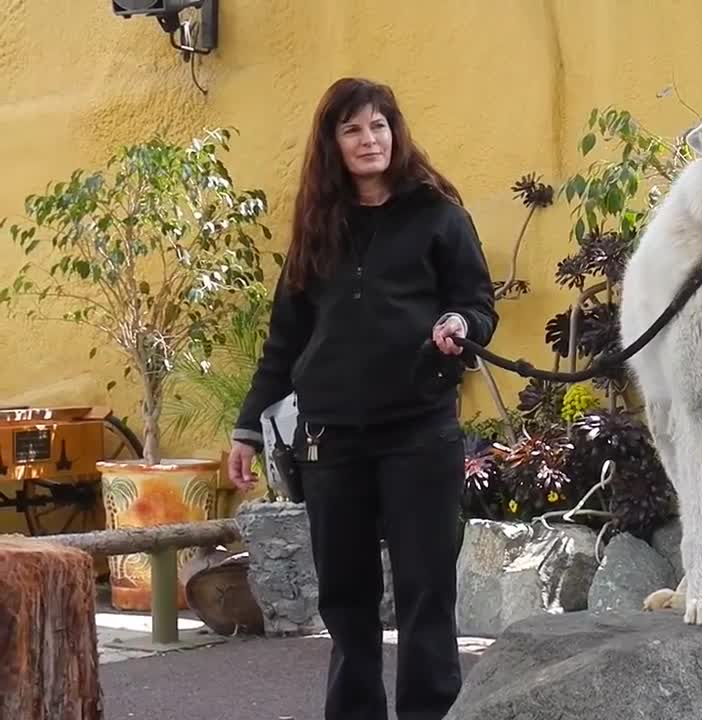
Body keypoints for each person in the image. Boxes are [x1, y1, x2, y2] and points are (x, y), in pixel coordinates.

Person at [226, 77, 498, 720]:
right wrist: (245, 428)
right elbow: (285, 341)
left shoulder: (438, 214)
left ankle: (430, 712)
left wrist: (461, 326)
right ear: (334, 143)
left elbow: (477, 302)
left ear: (395, 133)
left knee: (426, 590)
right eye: (352, 129)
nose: (369, 139)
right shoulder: (318, 226)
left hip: (419, 431)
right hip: (331, 438)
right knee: (345, 598)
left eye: (378, 126)